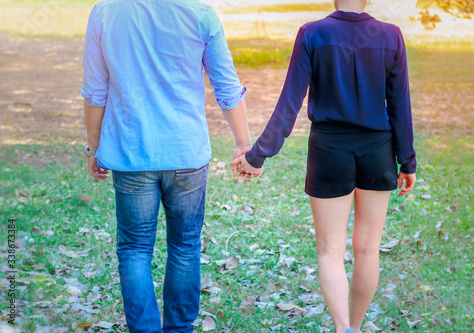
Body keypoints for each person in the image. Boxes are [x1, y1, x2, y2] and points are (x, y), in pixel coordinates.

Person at [232, 0, 417, 332]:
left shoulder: (312, 34)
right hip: (378, 149)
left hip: (329, 149)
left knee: (331, 251)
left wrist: (257, 155)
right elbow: (400, 104)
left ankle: (342, 328)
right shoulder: (391, 36)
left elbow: (289, 104)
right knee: (368, 248)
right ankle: (356, 328)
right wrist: (408, 161)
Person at [81, 0, 252, 332]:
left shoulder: (105, 12)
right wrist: (243, 143)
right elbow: (227, 86)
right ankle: (179, 329)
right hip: (186, 153)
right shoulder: (200, 14)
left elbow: (95, 90)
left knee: (133, 249)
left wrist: (94, 147)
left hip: (131, 155)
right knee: (186, 244)